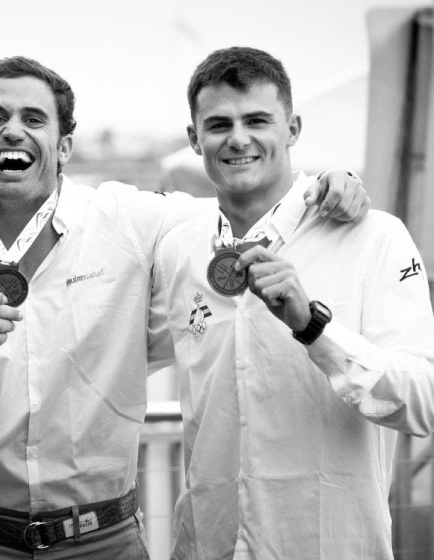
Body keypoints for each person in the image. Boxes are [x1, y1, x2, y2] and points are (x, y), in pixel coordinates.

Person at [0, 55, 369, 558]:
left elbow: (246, 209)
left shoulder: (127, 220)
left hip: (104, 542)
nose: (13, 130)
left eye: (33, 119)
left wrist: (324, 185)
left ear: (64, 147)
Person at [149, 46, 434, 559]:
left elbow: (424, 402)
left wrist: (314, 328)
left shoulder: (374, 236)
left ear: (293, 129)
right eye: (219, 125)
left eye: (257, 120)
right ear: (194, 138)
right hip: (208, 547)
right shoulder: (178, 249)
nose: (238, 139)